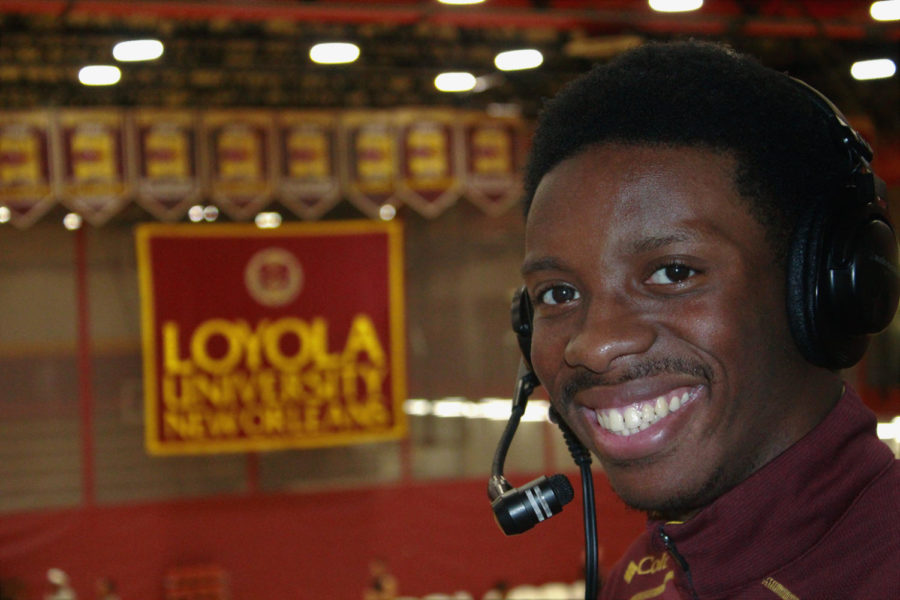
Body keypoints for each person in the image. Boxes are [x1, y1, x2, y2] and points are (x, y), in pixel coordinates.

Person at [518, 40, 900, 599]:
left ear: (822, 290)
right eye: (557, 292)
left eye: (673, 274)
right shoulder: (637, 580)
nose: (595, 344)